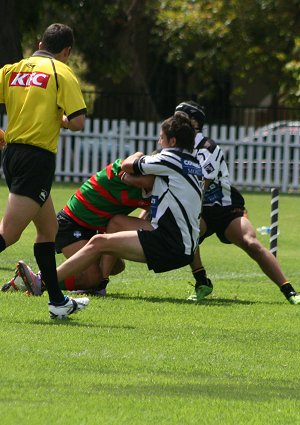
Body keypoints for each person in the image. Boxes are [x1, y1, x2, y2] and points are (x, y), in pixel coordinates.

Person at [9, 114, 203, 288]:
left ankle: (43, 282)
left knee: (99, 247)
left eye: (161, 138)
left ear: (173, 140)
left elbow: (129, 165)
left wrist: (133, 169)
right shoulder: (195, 165)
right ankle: (95, 282)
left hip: (169, 242)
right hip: (184, 245)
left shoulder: (169, 158)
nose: (159, 143)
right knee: (114, 245)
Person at [0, 23, 90, 319]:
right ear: (66, 51)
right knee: (9, 234)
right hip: (37, 158)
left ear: (40, 42)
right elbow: (77, 122)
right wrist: (61, 119)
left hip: (12, 155)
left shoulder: (12, 69)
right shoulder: (61, 72)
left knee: (48, 230)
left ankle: (57, 301)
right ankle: (57, 301)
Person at [174, 100, 300, 305]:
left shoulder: (207, 147)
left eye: (180, 117)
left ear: (194, 123)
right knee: (189, 234)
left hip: (226, 208)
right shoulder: (174, 146)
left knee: (251, 244)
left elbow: (200, 186)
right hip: (200, 209)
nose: (174, 121)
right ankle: (202, 282)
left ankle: (290, 291)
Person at [2, 158, 152, 296]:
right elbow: (130, 161)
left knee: (117, 266)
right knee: (93, 277)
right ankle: (38, 281)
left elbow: (147, 209)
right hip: (71, 224)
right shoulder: (122, 171)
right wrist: (102, 281)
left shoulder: (152, 187)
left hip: (93, 229)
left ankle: (39, 278)